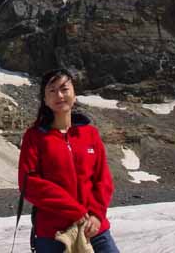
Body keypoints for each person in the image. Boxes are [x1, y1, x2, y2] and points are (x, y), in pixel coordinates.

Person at [18, 68, 120, 253]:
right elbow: (29, 184)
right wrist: (76, 212)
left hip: (94, 229)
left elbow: (103, 179)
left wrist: (96, 215)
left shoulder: (90, 134)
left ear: (74, 94)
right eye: (52, 91)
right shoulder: (35, 137)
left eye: (64, 89)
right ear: (45, 99)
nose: (59, 95)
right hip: (53, 233)